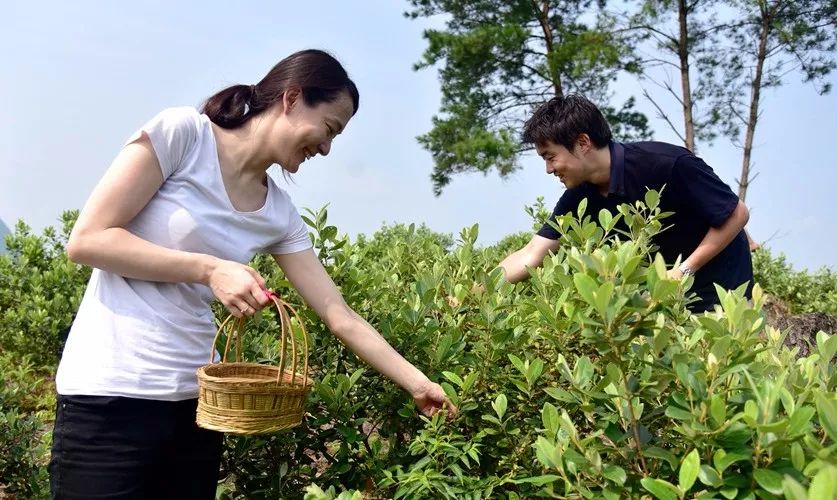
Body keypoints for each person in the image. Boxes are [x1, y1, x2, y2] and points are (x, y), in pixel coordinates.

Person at [49, 49, 455, 500]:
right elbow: (88, 240)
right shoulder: (183, 135)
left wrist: (418, 384)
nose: (325, 147)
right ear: (292, 97)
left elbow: (338, 314)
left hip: (197, 407)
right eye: (329, 129)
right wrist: (209, 269)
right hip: (109, 396)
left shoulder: (278, 212)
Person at [498, 94, 753, 312]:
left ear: (583, 143)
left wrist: (684, 271)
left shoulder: (666, 163)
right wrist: (474, 288)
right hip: (661, 297)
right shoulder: (579, 196)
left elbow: (737, 213)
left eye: (551, 157)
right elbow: (532, 253)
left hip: (722, 290)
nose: (548, 169)